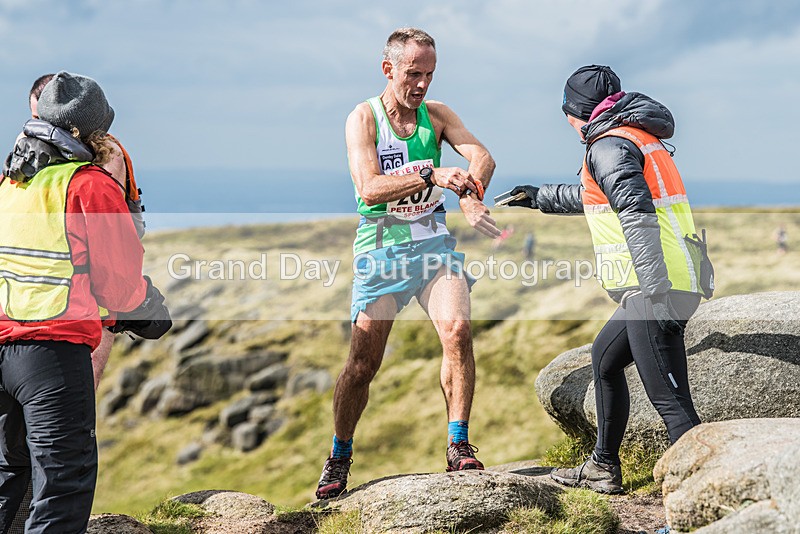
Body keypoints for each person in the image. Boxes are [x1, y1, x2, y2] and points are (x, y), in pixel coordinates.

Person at [315, 27, 501, 500]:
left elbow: (481, 155)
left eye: (429, 74)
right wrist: (430, 172)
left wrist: (471, 195)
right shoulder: (364, 118)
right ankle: (339, 454)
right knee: (363, 364)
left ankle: (458, 444)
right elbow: (368, 188)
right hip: (381, 251)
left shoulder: (437, 116)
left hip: (433, 247)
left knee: (457, 331)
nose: (421, 85)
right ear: (388, 69)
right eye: (413, 74)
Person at [508, 65, 707, 494]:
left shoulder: (608, 145)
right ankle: (603, 466)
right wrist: (539, 197)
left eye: (565, 110)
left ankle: (703, 494)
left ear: (576, 111)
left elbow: (635, 212)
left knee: (671, 404)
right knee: (605, 359)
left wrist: (653, 291)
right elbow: (598, 196)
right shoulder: (631, 135)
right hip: (664, 282)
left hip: (656, 289)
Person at [0, 71, 171, 533]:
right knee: (63, 487)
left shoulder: (10, 184)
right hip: (52, 358)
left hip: (2, 350)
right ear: (89, 132)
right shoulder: (89, 185)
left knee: (6, 479)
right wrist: (149, 310)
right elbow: (118, 285)